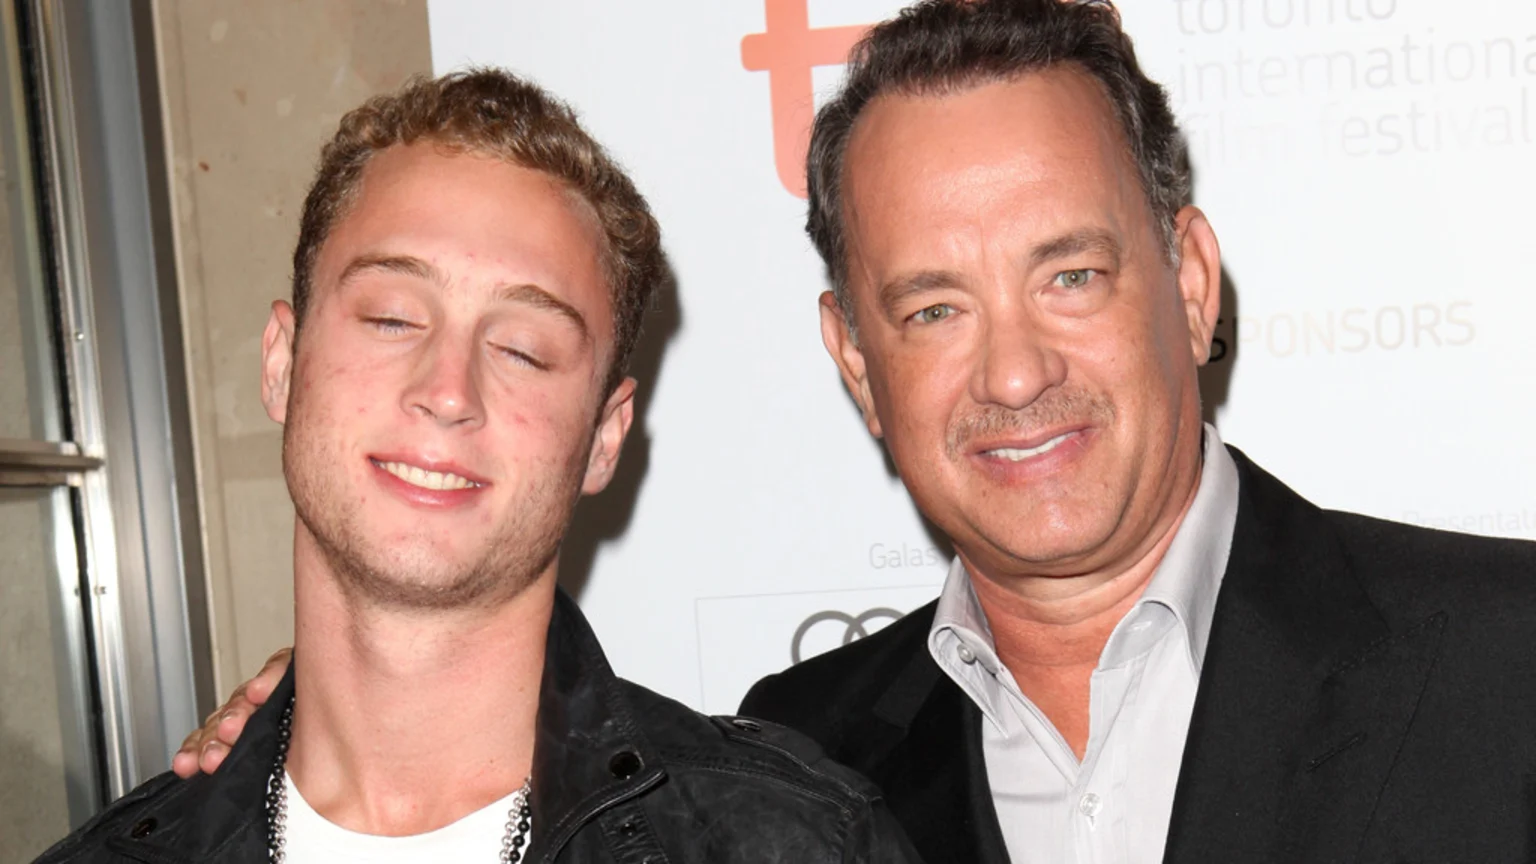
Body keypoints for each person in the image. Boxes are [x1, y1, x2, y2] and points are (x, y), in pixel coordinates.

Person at [179, 2, 1536, 863]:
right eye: (934, 306)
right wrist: (336, 700)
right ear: (855, 361)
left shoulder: (1507, 660)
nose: (1013, 371)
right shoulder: (798, 768)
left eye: (1071, 276)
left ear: (1188, 280)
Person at [34, 69, 919, 864]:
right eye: (390, 317)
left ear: (604, 438)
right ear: (281, 361)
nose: (447, 389)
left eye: (525, 349)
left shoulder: (803, 845)